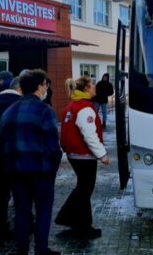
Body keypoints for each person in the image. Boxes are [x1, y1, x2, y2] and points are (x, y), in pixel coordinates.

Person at [0, 69, 61, 255]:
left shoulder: (9, 111)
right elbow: (53, 145)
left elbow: (1, 142)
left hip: (16, 172)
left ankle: (22, 250)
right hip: (41, 172)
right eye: (45, 86)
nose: (46, 89)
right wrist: (53, 166)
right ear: (40, 86)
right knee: (43, 211)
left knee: (21, 212)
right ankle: (41, 249)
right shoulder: (44, 110)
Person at [55, 76, 110, 239]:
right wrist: (102, 155)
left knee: (82, 188)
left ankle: (74, 221)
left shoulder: (72, 105)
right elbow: (90, 135)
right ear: (86, 88)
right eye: (92, 85)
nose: (95, 87)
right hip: (84, 156)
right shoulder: (85, 108)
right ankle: (82, 227)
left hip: (74, 154)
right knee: (85, 190)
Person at [0, 77, 22, 248]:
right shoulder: (19, 104)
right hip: (16, 155)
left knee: (1, 197)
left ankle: (0, 232)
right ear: (19, 89)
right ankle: (22, 228)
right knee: (20, 195)